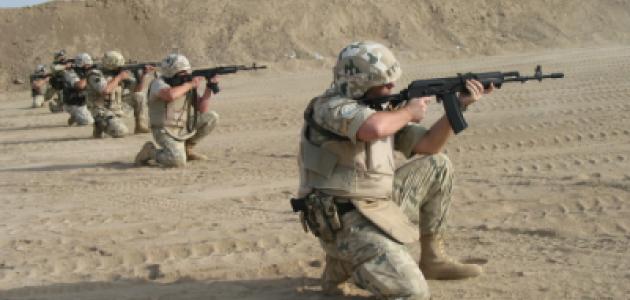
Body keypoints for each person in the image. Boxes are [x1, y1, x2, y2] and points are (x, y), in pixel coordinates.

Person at [295, 41, 493, 299]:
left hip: (374, 205)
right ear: (360, 83)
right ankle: (349, 261)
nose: (391, 87)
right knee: (412, 292)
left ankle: (432, 258)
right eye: (384, 83)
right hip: (342, 220)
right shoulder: (329, 108)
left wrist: (459, 105)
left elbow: (429, 145)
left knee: (438, 165)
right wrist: (409, 112)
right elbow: (373, 129)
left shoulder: (381, 110)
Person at [135, 53, 219, 167]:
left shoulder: (185, 85)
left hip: (182, 126)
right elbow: (170, 95)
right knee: (177, 161)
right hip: (164, 130)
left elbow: (202, 109)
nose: (187, 75)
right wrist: (190, 84)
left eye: (187, 71)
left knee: (211, 117)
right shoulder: (158, 83)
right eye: (182, 72)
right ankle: (150, 152)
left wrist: (209, 88)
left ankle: (187, 149)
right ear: (171, 73)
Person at [85, 51, 152, 138]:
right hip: (100, 109)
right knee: (121, 132)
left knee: (139, 96)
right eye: (119, 66)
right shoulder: (94, 74)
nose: (121, 68)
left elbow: (137, 89)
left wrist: (143, 75)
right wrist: (119, 77)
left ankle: (139, 125)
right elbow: (105, 90)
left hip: (116, 105)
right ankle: (99, 124)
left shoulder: (117, 74)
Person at [62, 53, 95, 126]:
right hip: (73, 103)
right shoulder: (70, 72)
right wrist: (88, 74)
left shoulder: (82, 71)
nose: (89, 66)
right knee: (89, 122)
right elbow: (80, 86)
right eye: (87, 64)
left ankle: (77, 115)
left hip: (84, 101)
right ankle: (76, 115)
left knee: (98, 114)